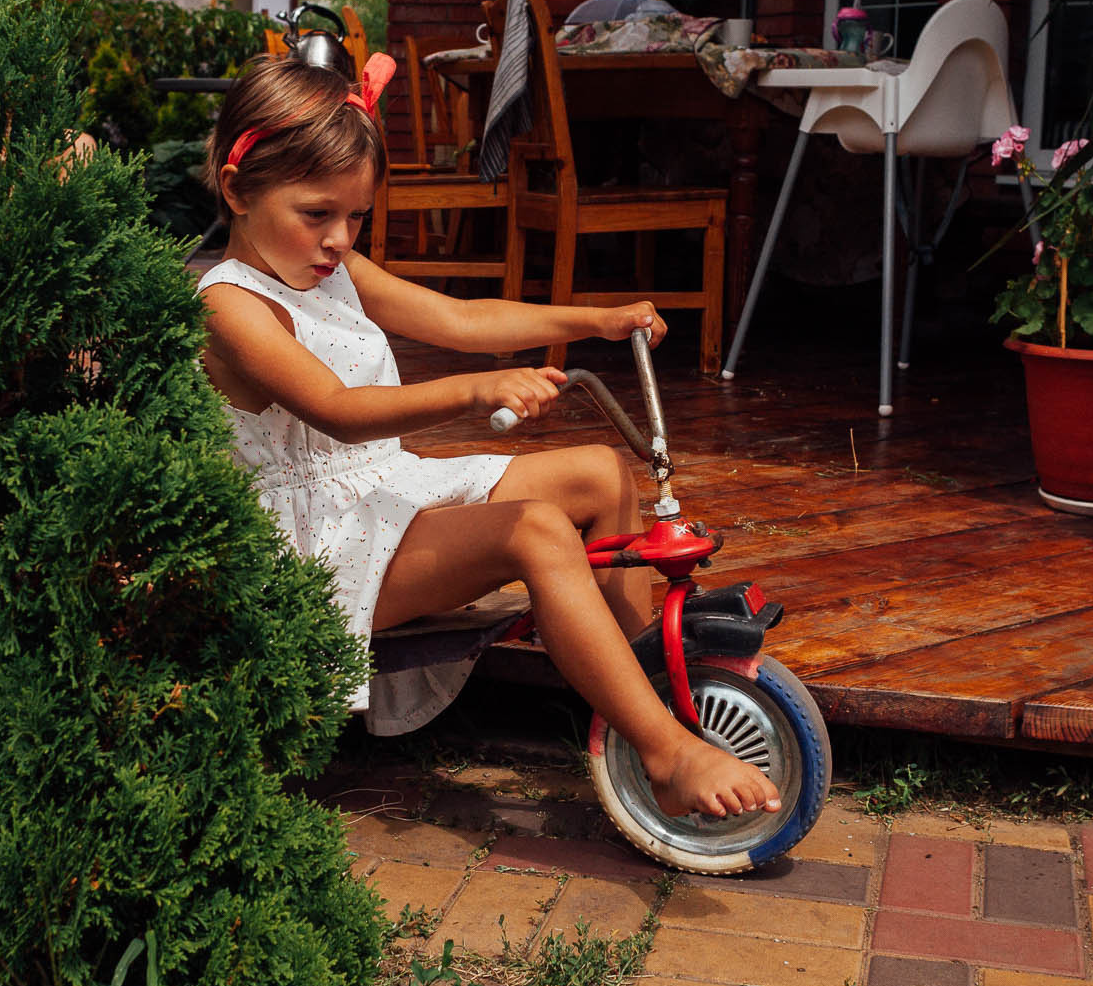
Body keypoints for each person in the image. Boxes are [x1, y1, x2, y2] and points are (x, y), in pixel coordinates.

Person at [194, 52, 780, 821]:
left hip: (378, 497)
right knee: (534, 531)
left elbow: (461, 319)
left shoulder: (324, 266)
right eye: (318, 213)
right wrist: (474, 391)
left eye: (357, 216)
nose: (340, 237)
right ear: (237, 190)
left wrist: (596, 319)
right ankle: (666, 754)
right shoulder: (230, 304)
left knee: (600, 473)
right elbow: (334, 406)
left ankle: (646, 690)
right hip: (316, 552)